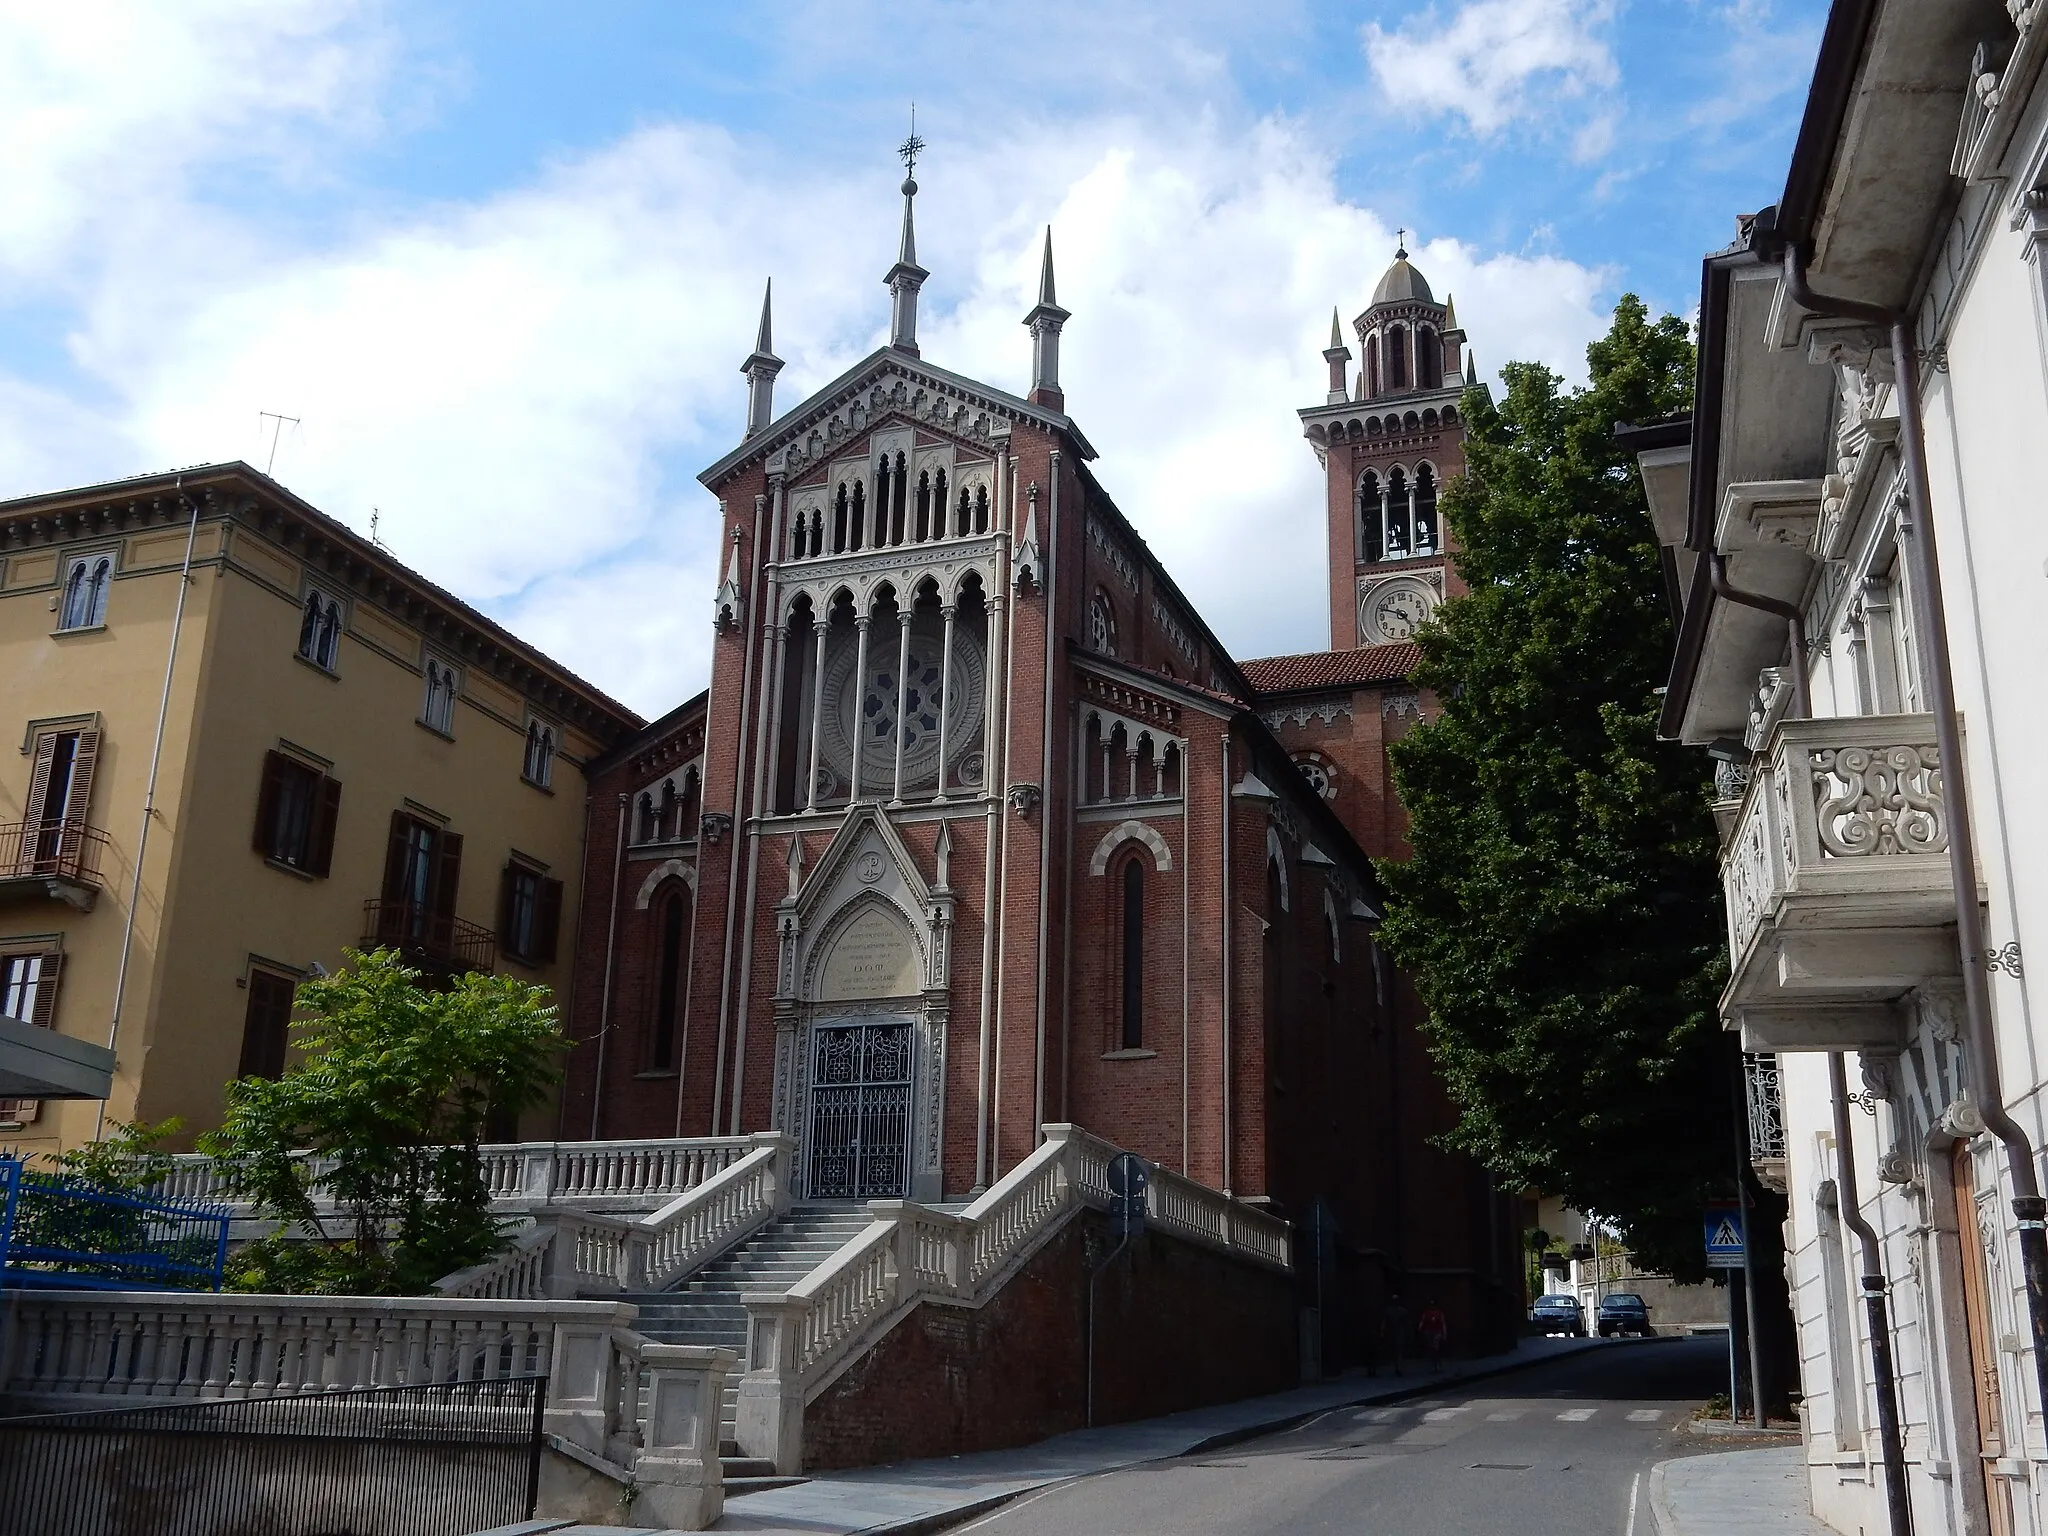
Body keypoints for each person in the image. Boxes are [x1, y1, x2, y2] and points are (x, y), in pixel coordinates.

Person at [1382, 1294, 1410, 1377]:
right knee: (1395, 1351)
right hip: (1392, 1333)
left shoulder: (1403, 1311)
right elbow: (1384, 1322)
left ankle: (1398, 1367)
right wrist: (1383, 1331)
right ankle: (1397, 1366)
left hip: (1399, 1333)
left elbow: (1407, 1324)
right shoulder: (1388, 1310)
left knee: (1398, 1351)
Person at [1418, 1301, 1448, 1371]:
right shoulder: (1426, 1313)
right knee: (1431, 1349)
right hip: (1429, 1332)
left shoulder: (1439, 1313)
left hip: (1437, 1332)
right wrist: (1420, 1328)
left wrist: (1444, 1333)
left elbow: (1443, 1323)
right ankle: (1434, 1364)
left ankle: (1437, 1364)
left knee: (1436, 1348)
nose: (1432, 1307)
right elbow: (1422, 1321)